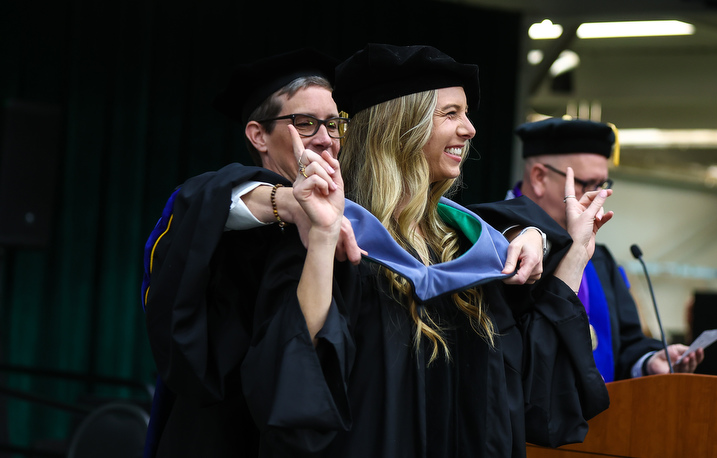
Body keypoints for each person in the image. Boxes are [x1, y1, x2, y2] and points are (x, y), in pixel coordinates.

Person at [142, 47, 555, 457]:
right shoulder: (260, 225)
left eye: (334, 123)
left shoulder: (425, 232)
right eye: (304, 123)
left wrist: (533, 230)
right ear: (257, 135)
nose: (325, 138)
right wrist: (287, 205)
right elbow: (206, 210)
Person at [238, 43, 612, 458]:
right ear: (399, 127)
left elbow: (534, 394)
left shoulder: (467, 247)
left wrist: (576, 250)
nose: (470, 129)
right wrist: (324, 241)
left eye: (467, 114)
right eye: (451, 114)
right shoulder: (332, 237)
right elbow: (294, 379)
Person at [508, 117, 704, 382]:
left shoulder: (600, 259)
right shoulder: (498, 240)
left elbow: (627, 342)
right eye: (586, 184)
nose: (597, 199)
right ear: (540, 177)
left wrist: (649, 361)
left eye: (602, 186)